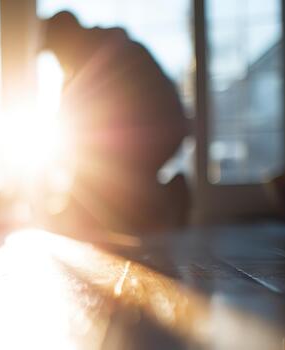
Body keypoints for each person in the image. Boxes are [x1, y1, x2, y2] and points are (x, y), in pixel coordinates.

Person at [41, 11, 189, 235]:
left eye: (54, 50)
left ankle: (168, 198)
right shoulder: (108, 46)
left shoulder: (90, 61)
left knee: (101, 197)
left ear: (65, 39)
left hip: (151, 133)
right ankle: (165, 197)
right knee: (105, 203)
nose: (56, 58)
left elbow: (78, 132)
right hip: (163, 130)